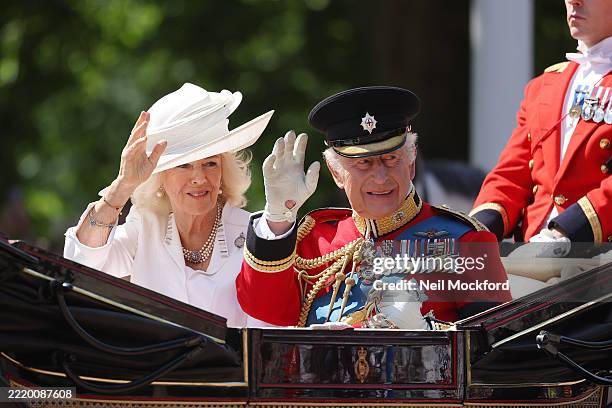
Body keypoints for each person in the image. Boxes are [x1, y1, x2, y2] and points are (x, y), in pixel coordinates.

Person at [236, 86, 511, 328]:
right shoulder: (317, 239)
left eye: (391, 159)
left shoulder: (465, 241)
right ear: (336, 173)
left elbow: (492, 352)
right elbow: (263, 308)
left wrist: (426, 333)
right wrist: (278, 218)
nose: (380, 178)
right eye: (363, 164)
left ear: (411, 163)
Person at [64, 83, 274, 327]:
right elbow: (81, 265)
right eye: (184, 165)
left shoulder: (255, 237)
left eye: (211, 164)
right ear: (160, 176)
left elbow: (265, 337)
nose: (199, 178)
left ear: (223, 172)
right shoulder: (144, 227)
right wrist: (122, 186)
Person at [471, 0, 612, 253]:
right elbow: (511, 174)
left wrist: (566, 231)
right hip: (531, 255)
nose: (573, 1)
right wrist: (476, 231)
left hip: (598, 259)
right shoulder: (544, 85)